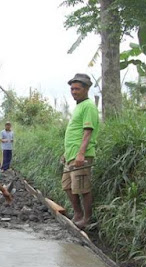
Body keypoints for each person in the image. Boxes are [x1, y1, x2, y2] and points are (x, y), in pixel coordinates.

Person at [61, 73, 99, 229]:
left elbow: (88, 131)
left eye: (77, 89)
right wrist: (66, 153)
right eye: (72, 89)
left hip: (80, 155)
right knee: (67, 185)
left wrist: (81, 153)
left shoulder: (89, 106)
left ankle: (87, 218)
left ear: (86, 89)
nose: (74, 92)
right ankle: (77, 214)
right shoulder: (79, 106)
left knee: (82, 187)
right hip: (71, 155)